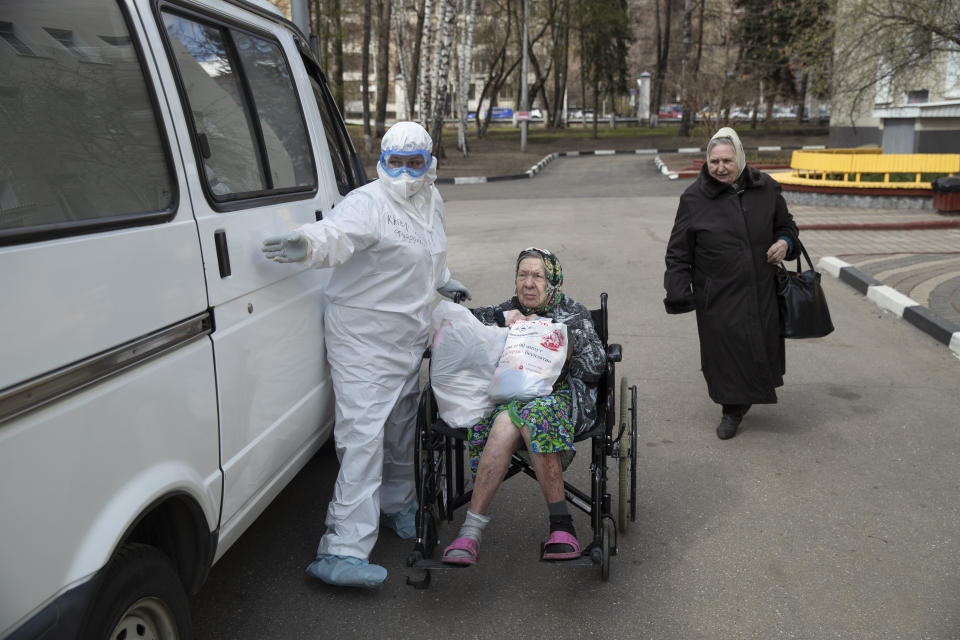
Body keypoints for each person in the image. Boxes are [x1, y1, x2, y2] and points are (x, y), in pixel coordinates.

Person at [261, 122, 470, 587]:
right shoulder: (368, 203)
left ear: (430, 162)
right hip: (362, 341)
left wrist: (443, 279)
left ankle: (397, 505)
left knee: (399, 432)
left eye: (415, 162)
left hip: (407, 340)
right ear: (381, 160)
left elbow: (430, 254)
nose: (405, 173)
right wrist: (306, 244)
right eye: (395, 162)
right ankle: (342, 549)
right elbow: (336, 236)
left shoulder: (431, 200)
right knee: (362, 440)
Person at [440, 247, 605, 565]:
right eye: (522, 275)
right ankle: (561, 527)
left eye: (538, 276)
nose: (528, 283)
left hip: (556, 399)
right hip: (505, 400)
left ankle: (470, 532)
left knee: (523, 418)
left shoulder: (572, 313)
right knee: (510, 417)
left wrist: (557, 337)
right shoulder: (506, 310)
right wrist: (503, 322)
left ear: (553, 281)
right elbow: (459, 328)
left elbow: (594, 367)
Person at [663, 127, 799, 440]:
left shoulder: (765, 188)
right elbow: (678, 250)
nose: (721, 167)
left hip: (760, 290)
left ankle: (745, 397)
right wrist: (679, 290)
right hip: (717, 295)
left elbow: (787, 227)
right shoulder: (694, 198)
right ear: (707, 162)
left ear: (739, 157)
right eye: (714, 161)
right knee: (724, 355)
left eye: (727, 160)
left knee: (757, 347)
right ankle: (730, 409)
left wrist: (784, 243)